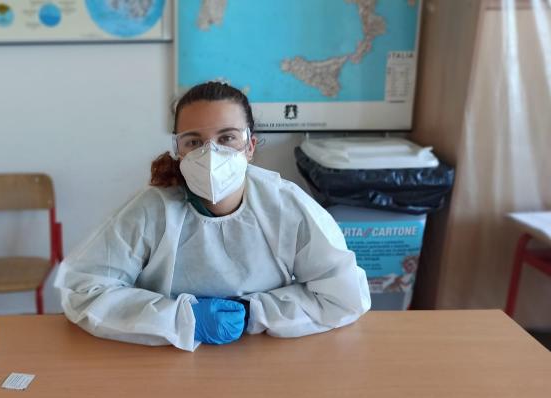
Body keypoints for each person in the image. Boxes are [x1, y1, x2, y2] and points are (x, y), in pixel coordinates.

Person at [55, 81, 370, 351]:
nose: (210, 153)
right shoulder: (152, 209)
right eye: (194, 141)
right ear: (178, 150)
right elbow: (83, 290)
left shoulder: (286, 206)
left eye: (227, 138)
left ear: (250, 146)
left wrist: (253, 313)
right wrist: (182, 318)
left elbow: (343, 296)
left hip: (262, 354)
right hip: (166, 353)